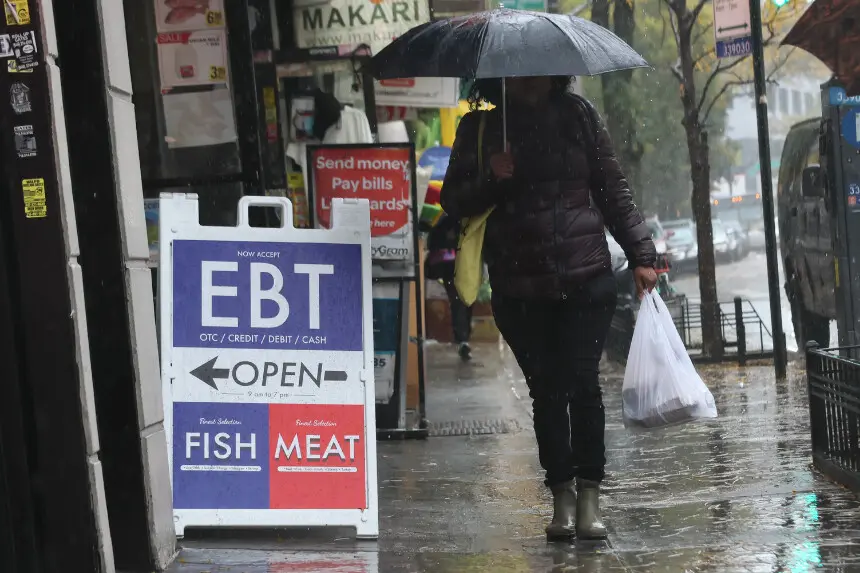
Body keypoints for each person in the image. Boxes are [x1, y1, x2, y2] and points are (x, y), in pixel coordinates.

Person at [440, 77, 657, 541]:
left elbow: (612, 188)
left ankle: (590, 499)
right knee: (546, 391)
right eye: (521, 70)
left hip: (585, 277)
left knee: (583, 385)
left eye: (540, 68)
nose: (531, 77)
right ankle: (561, 498)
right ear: (499, 76)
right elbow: (452, 202)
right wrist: (491, 180)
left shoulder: (578, 116)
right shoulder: (481, 129)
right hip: (520, 286)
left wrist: (643, 255)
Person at [425, 213, 473, 361]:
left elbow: (432, 243)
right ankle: (463, 337)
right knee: (464, 299)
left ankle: (462, 337)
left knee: (458, 299)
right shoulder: (468, 220)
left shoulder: (443, 220)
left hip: (449, 266)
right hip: (462, 266)